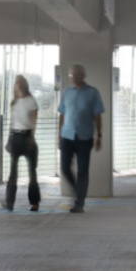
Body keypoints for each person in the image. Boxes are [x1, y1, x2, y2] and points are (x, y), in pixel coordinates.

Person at [58, 64, 105, 213]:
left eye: (77, 75)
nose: (74, 78)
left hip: (85, 137)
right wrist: (58, 135)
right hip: (67, 135)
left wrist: (99, 135)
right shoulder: (66, 93)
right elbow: (62, 114)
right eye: (72, 75)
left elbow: (97, 115)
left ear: (83, 76)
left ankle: (80, 202)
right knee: (65, 168)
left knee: (83, 171)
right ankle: (77, 192)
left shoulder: (92, 93)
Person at [3, 75, 40, 212]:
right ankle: (9, 202)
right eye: (15, 82)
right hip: (16, 138)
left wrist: (32, 136)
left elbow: (34, 121)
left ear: (23, 84)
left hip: (27, 137)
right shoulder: (14, 102)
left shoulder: (31, 101)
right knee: (13, 173)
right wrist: (8, 140)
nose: (16, 84)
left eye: (18, 82)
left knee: (32, 172)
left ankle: (34, 202)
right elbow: (12, 123)